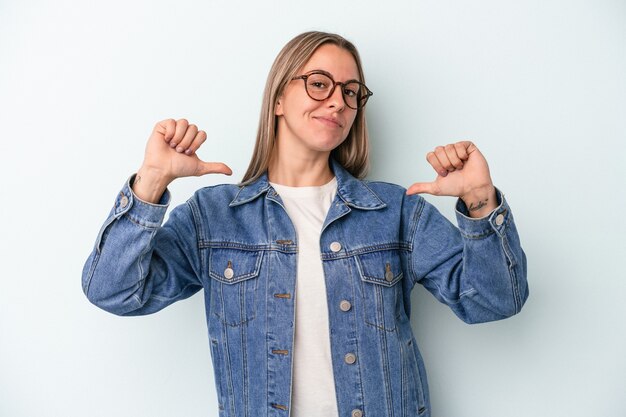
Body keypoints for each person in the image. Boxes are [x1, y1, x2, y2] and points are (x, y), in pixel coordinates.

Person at [82, 31, 528, 417]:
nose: (338, 101)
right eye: (319, 84)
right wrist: (151, 182)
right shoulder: (214, 217)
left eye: (351, 92)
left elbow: (493, 302)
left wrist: (480, 202)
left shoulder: (395, 211)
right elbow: (114, 291)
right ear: (278, 98)